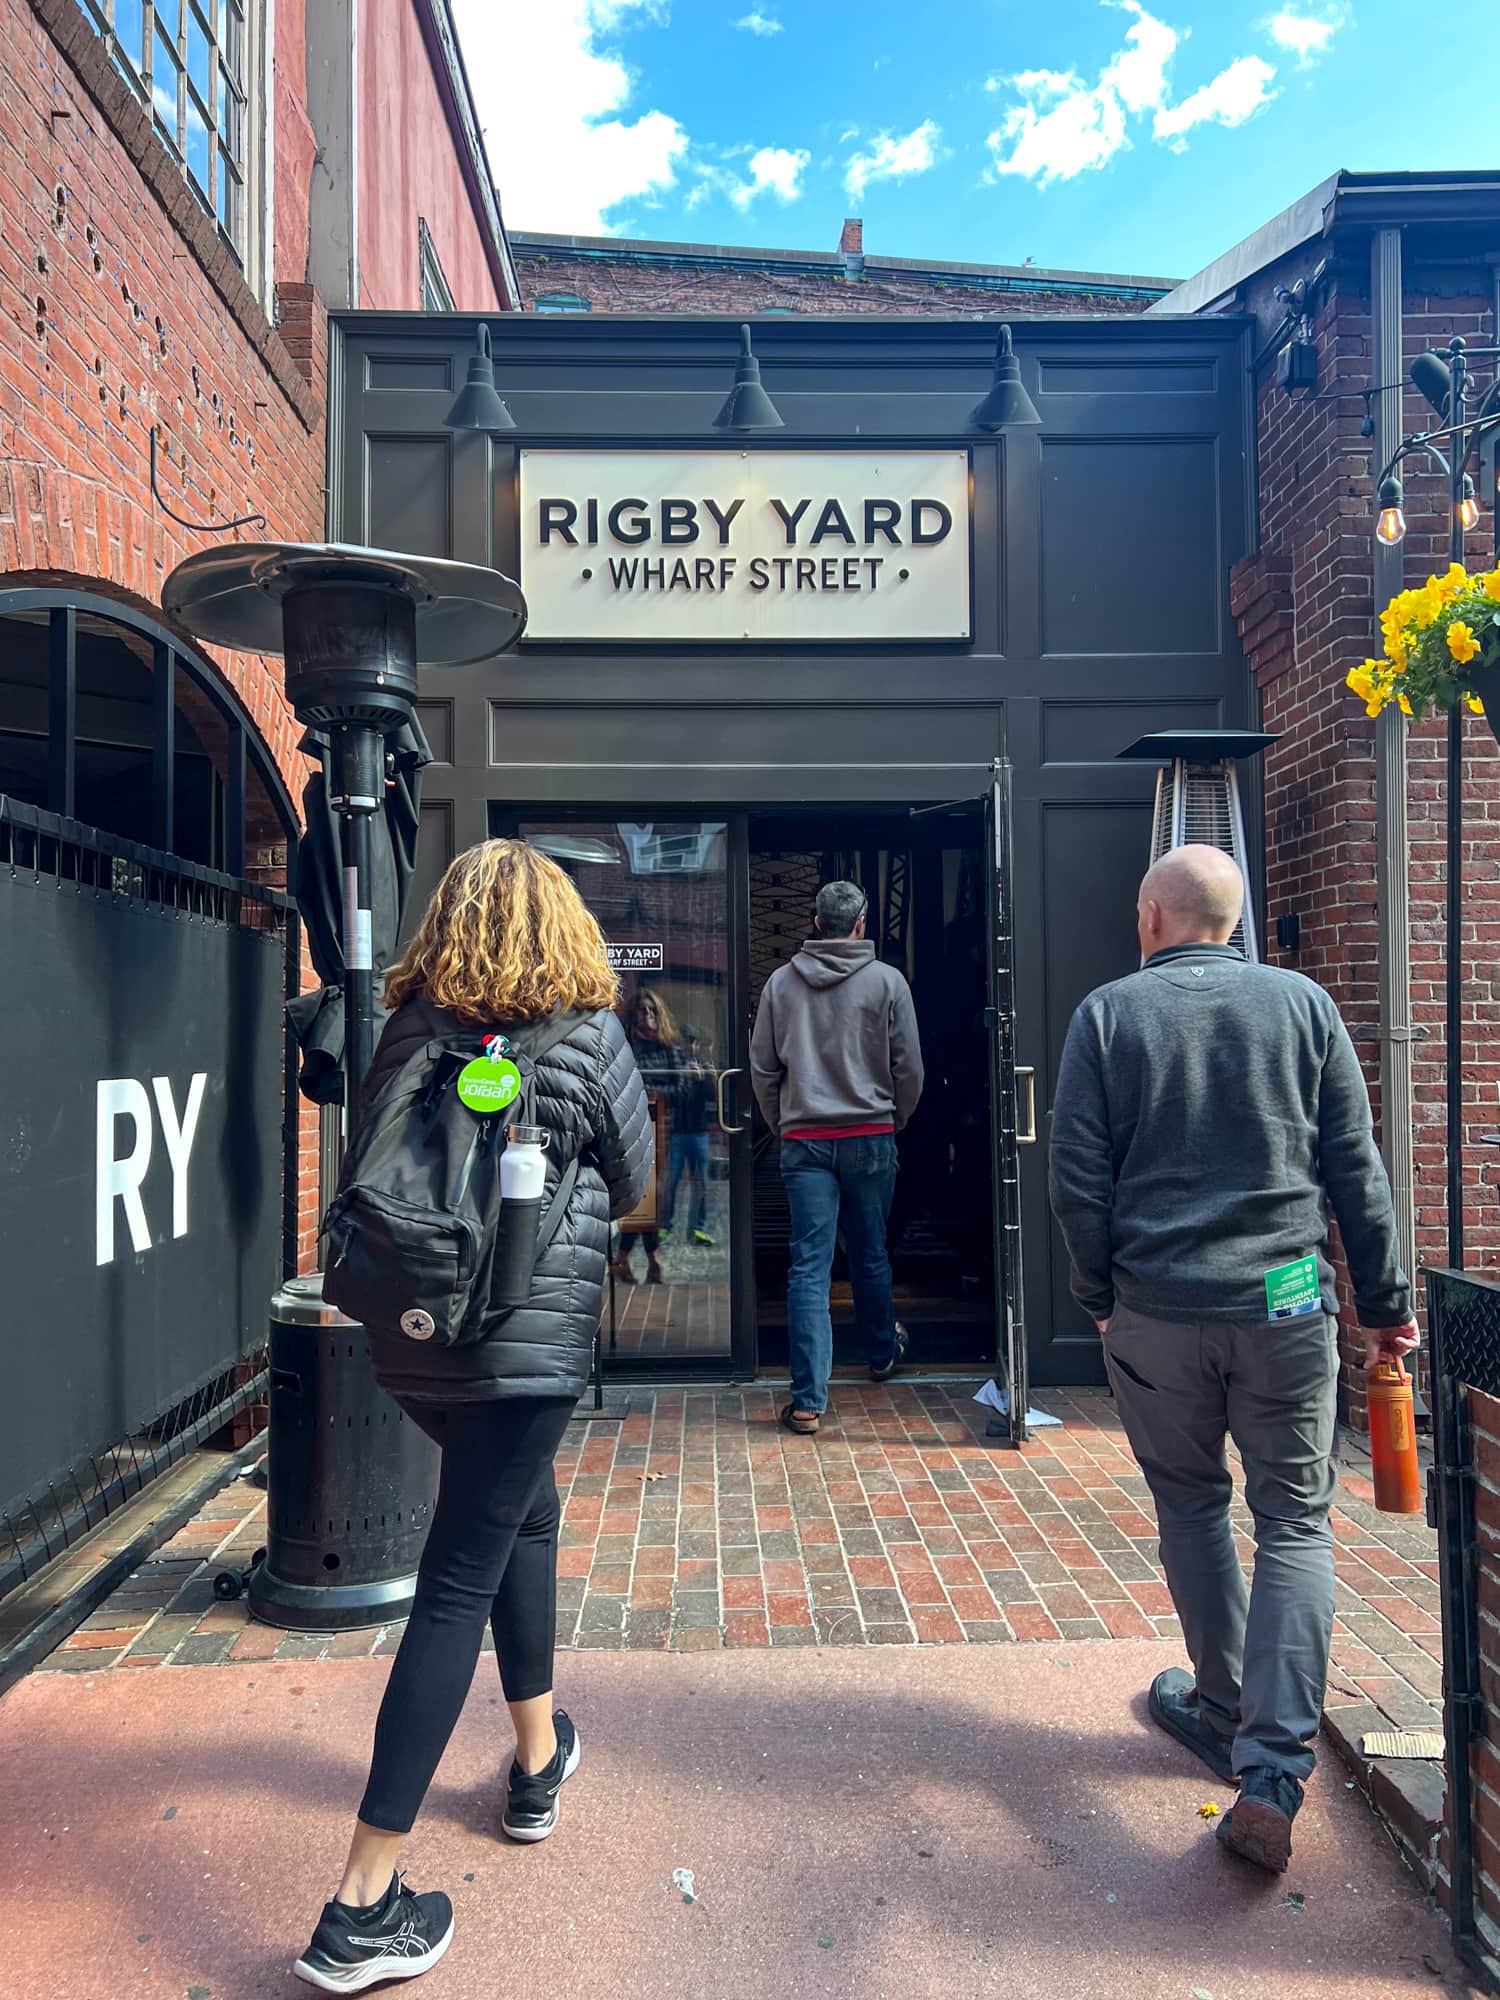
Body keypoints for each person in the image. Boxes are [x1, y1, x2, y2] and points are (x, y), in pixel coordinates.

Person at [294, 839, 651, 1992]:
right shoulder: (590, 1033)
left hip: (414, 1345)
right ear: (561, 925)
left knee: (519, 1513)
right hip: (523, 1352)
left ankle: (540, 1758)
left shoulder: (408, 1027)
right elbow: (639, 1178)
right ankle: (361, 1902)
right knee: (458, 1576)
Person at [1048, 844, 1418, 1876]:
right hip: (1286, 1299)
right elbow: (1357, 1163)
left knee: (1193, 1503)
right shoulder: (1303, 1007)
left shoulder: (1109, 1015)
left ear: (1151, 916)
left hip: (1158, 1305)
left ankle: (1220, 1704)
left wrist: (1099, 1300)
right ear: (1236, 918)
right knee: (1295, 1516)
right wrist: (1384, 1304)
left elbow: (1077, 1177)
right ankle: (1272, 1771)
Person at [750, 880, 924, 1436]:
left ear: (814, 920)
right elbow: (909, 1068)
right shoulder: (888, 982)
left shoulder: (780, 984)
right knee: (870, 1252)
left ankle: (807, 1401)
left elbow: (761, 1069)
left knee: (809, 1265)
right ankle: (880, 1353)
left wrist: (783, 1122)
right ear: (861, 923)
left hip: (804, 1141)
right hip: (870, 1134)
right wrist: (895, 1118)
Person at [661, 1025, 716, 1248]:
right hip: (678, 1132)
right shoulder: (673, 1064)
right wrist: (683, 1078)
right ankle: (665, 1225)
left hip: (698, 1131)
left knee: (701, 1183)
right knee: (671, 1181)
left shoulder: (701, 1062)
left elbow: (713, 1097)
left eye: (693, 1042)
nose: (690, 1046)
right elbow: (670, 1097)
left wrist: (704, 1078)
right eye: (687, 1041)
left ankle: (697, 1230)